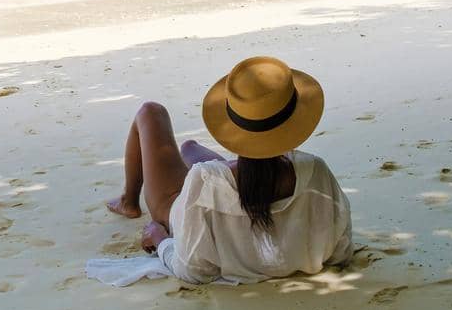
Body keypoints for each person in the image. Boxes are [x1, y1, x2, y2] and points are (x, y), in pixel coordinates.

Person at [106, 55, 352, 284]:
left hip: (192, 199)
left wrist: (159, 238)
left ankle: (129, 201)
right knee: (190, 148)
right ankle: (204, 156)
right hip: (221, 184)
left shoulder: (204, 180)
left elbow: (191, 269)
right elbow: (339, 250)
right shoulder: (316, 172)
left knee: (151, 112)